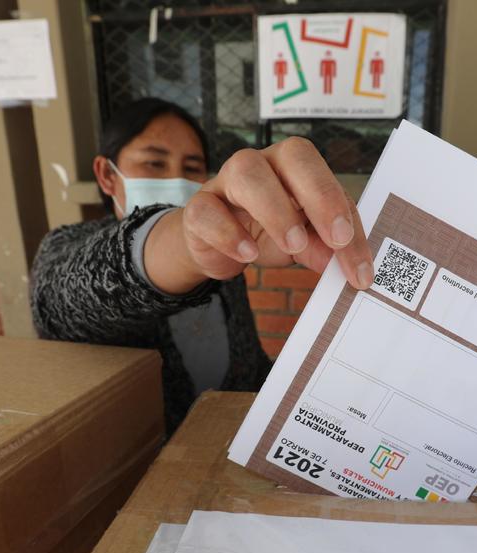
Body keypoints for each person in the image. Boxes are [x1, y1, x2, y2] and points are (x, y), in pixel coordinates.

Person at [31, 98, 373, 431]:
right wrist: (187, 243)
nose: (175, 178)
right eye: (154, 163)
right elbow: (70, 296)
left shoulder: (230, 260)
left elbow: (249, 372)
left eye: (192, 167)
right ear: (106, 174)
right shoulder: (62, 250)